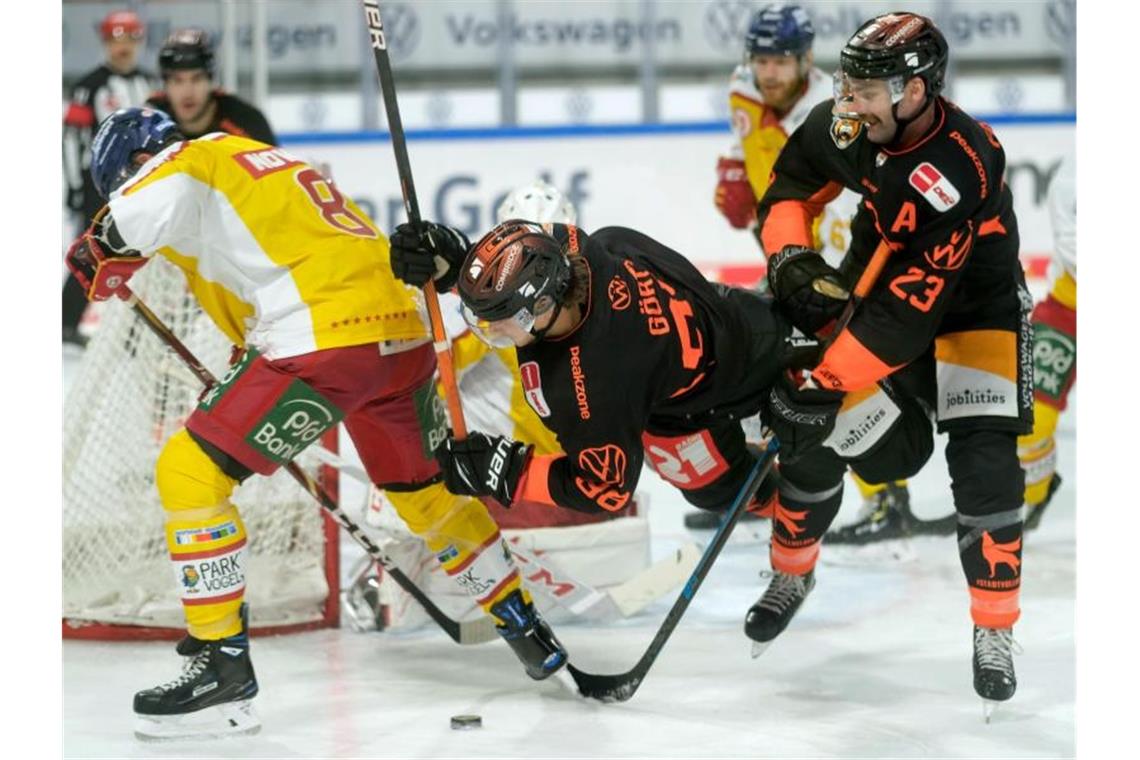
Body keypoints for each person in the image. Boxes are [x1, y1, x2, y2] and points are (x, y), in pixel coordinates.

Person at [65, 108, 566, 739]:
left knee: (189, 473)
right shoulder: (267, 161)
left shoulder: (184, 160)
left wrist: (98, 243)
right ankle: (523, 625)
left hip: (324, 341)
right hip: (401, 335)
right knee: (424, 494)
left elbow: (137, 212)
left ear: (133, 165)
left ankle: (222, 665)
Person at [748, 12, 1033, 713]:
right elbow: (788, 189)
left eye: (866, 89)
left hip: (976, 309)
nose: (849, 101)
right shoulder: (851, 123)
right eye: (847, 83)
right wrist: (789, 258)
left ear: (917, 90)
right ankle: (792, 572)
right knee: (817, 427)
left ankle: (993, 630)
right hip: (880, 286)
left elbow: (904, 322)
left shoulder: (960, 165)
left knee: (985, 463)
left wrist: (823, 381)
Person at [388, 215, 795, 598]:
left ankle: (797, 527)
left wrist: (506, 470)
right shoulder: (578, 247)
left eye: (500, 320)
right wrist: (457, 262)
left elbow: (606, 491)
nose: (490, 331)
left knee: (724, 491)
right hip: (731, 318)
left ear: (544, 309)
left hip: (704, 398)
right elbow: (527, 261)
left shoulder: (593, 385)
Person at [706, 2, 927, 538]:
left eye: (781, 59)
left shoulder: (841, 104)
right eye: (761, 59)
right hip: (786, 246)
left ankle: (887, 496)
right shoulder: (744, 89)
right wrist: (735, 169)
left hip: (835, 251)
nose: (770, 71)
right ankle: (761, 487)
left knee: (842, 374)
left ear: (806, 59)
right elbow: (748, 143)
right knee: (755, 361)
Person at [63, 9, 157, 346]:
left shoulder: (151, 83)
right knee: (93, 250)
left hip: (145, 184)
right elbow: (71, 139)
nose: (124, 47)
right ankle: (65, 321)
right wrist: (74, 185)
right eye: (117, 39)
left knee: (146, 253)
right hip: (98, 185)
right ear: (105, 43)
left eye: (130, 39)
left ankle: (138, 329)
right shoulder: (89, 87)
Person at [1017, 154, 1075, 530]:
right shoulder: (1076, 174)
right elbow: (1075, 246)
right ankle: (1035, 496)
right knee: (1029, 417)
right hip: (1071, 304)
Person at [146, 28, 276, 144]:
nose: (187, 92)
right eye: (177, 81)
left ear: (211, 82)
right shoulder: (149, 122)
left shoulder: (246, 120)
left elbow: (277, 170)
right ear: (165, 85)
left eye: (197, 79)